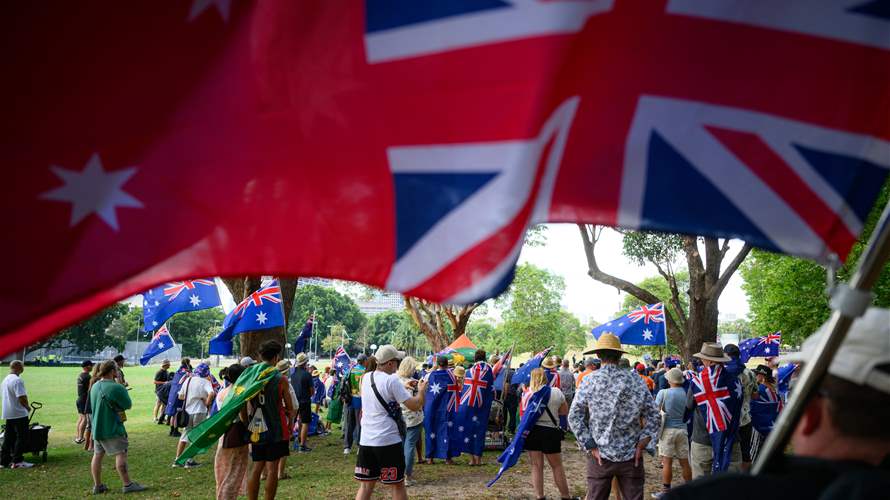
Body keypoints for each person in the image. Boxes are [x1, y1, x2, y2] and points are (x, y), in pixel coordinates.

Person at [665, 307, 890, 499]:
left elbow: (691, 406)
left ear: (810, 415)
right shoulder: (743, 376)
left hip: (712, 437)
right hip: (737, 429)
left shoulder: (721, 492)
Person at [569, 333, 660, 500]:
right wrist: (643, 443)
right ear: (619, 355)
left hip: (600, 456)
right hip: (631, 456)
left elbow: (574, 416)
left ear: (598, 355)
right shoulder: (636, 380)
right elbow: (654, 415)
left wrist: (589, 444)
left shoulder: (589, 381)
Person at [354, 345, 427, 500]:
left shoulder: (366, 378)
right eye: (396, 361)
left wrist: (403, 386)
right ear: (389, 363)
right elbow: (415, 405)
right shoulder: (391, 380)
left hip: (367, 440)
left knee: (366, 485)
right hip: (388, 440)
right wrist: (421, 390)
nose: (398, 364)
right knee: (397, 484)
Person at [685, 344, 743, 478]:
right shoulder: (735, 381)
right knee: (729, 486)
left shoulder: (697, 382)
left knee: (701, 486)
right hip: (730, 439)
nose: (702, 362)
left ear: (710, 361)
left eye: (703, 359)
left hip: (702, 439)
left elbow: (689, 405)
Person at [89, 360, 146, 494]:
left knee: (97, 455)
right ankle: (127, 484)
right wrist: (121, 385)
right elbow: (128, 405)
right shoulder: (116, 387)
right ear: (113, 371)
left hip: (97, 427)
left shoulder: (95, 385)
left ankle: (97, 486)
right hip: (112, 427)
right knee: (121, 454)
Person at [246, 341, 293, 500]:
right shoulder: (280, 378)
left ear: (260, 356)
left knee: (257, 466)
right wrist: (291, 423)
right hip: (276, 426)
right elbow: (290, 406)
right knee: (272, 468)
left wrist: (247, 422)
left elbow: (243, 402)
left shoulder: (252, 376)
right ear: (276, 357)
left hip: (257, 425)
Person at [524, 368, 575, 500]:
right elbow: (564, 411)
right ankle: (565, 495)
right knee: (557, 466)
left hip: (533, 431)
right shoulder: (556, 392)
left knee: (536, 465)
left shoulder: (528, 394)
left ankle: (539, 496)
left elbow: (524, 415)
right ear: (545, 378)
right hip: (550, 430)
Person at [652, 368, 692, 498]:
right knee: (684, 462)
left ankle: (666, 491)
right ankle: (690, 489)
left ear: (669, 380)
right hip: (683, 429)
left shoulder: (663, 393)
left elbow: (655, 411)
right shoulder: (687, 393)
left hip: (667, 430)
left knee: (667, 462)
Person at [214, 363, 249, 500]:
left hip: (224, 433)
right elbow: (243, 416)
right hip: (236, 433)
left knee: (223, 469)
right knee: (234, 471)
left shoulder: (222, 392)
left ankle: (222, 495)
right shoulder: (239, 392)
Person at [173, 362, 216, 468]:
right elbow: (212, 393)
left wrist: (191, 397)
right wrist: (206, 402)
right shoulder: (205, 382)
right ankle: (189, 460)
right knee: (196, 436)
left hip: (187, 411)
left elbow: (181, 396)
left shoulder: (188, 380)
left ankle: (177, 460)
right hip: (200, 411)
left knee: (184, 435)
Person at [397, 357, 424, 486]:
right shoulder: (413, 384)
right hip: (413, 418)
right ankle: (407, 475)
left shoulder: (395, 381)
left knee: (401, 447)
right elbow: (418, 402)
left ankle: (399, 474)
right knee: (409, 447)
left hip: (399, 419)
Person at [1, 360, 32, 469]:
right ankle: (17, 461)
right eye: (22, 366)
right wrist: (27, 407)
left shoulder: (5, 379)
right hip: (19, 413)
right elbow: (21, 397)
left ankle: (4, 461)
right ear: (18, 367)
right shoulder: (17, 380)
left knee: (8, 437)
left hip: (8, 412)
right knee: (22, 437)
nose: (23, 368)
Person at [276, 359, 297, 480]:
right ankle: (280, 473)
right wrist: (292, 420)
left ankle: (265, 473)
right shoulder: (285, 383)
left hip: (273, 418)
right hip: (284, 417)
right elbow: (292, 405)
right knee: (284, 446)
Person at [343, 354, 367, 455]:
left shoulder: (350, 370)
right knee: (360, 424)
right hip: (360, 400)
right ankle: (359, 446)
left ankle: (347, 447)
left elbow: (344, 382)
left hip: (350, 399)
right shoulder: (365, 372)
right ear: (365, 361)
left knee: (349, 423)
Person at [290, 353, 314, 452]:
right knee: (305, 422)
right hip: (304, 401)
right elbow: (312, 391)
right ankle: (302, 445)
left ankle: (297, 438)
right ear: (305, 363)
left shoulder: (293, 374)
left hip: (295, 401)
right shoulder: (307, 374)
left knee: (294, 421)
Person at [166, 358, 192, 437]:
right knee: (177, 414)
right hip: (178, 394)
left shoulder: (178, 371)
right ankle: (175, 430)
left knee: (173, 413)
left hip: (172, 393)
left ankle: (171, 430)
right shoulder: (187, 373)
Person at [75, 359, 94, 444]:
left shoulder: (81, 375)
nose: (92, 367)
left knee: (80, 418)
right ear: (87, 366)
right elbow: (91, 389)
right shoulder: (88, 377)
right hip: (84, 400)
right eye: (91, 365)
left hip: (79, 399)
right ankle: (80, 437)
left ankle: (78, 436)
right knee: (85, 419)